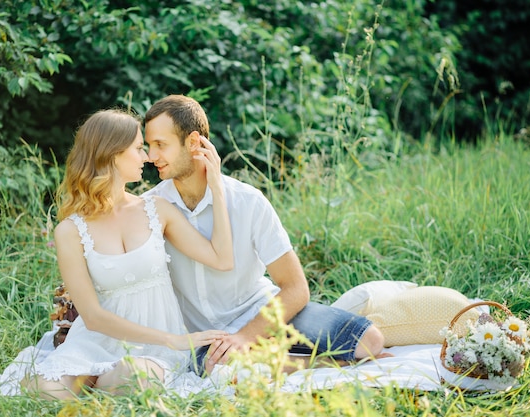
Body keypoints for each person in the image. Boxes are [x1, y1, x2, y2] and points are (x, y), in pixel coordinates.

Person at [143, 95, 388, 376]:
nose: (151, 156)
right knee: (217, 367)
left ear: (194, 142)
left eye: (160, 145)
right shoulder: (152, 208)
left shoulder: (247, 201)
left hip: (262, 314)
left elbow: (295, 287)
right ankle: (316, 364)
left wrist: (247, 336)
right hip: (204, 338)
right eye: (149, 146)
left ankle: (271, 354)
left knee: (369, 342)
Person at [21, 108, 233, 399]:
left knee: (133, 378)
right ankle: (89, 381)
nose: (146, 156)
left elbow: (221, 258)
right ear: (112, 154)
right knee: (44, 390)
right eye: (138, 148)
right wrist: (173, 339)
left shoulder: (156, 210)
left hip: (154, 349)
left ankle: (97, 387)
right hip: (96, 340)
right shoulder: (70, 231)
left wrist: (216, 187)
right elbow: (93, 317)